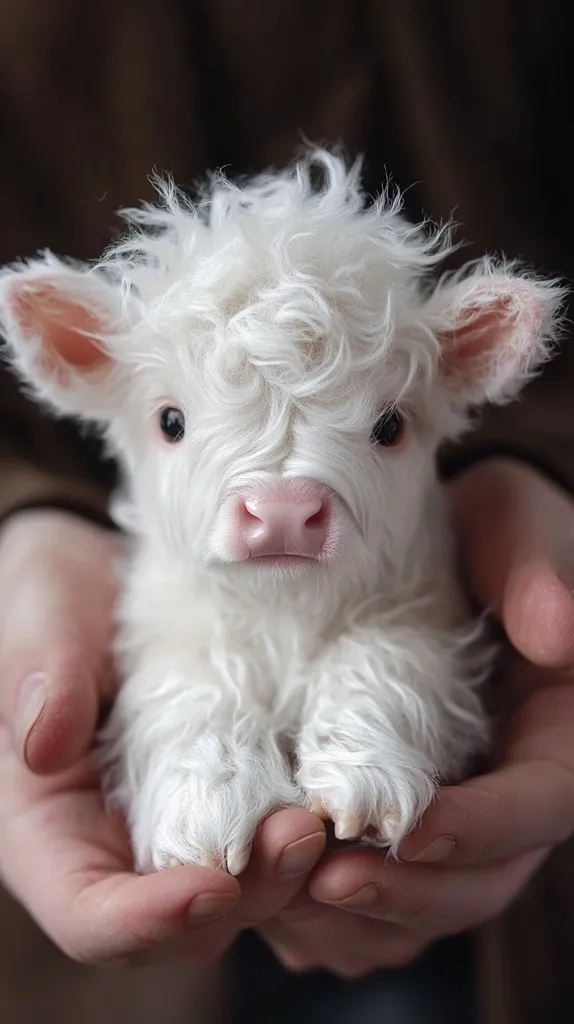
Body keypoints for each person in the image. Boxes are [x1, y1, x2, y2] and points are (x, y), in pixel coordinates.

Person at [1, 2, 574, 1022]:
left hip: (528, 947)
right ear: (80, 356)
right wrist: (19, 525)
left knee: (390, 663)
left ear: (469, 358)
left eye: (386, 425)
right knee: (184, 703)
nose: (276, 498)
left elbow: (420, 638)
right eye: (175, 419)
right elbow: (168, 672)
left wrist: (547, 470)